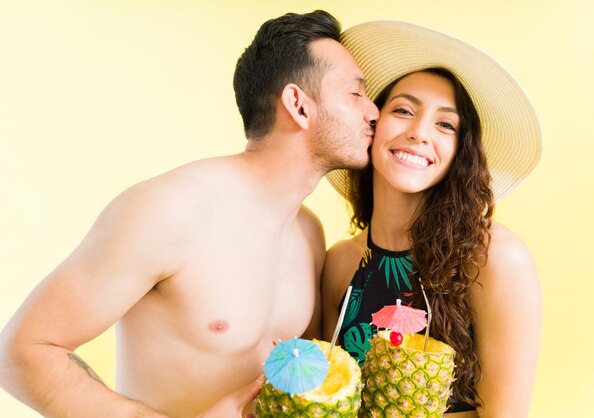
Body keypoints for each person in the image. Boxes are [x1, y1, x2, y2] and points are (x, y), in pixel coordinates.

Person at [0, 10, 378, 418]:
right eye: (356, 94)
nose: (373, 111)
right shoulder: (171, 210)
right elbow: (21, 352)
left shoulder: (308, 232)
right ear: (299, 106)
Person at [322, 21, 542, 418]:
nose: (420, 133)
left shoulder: (492, 259)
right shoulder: (339, 264)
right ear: (373, 125)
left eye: (445, 124)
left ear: (461, 151)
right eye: (403, 110)